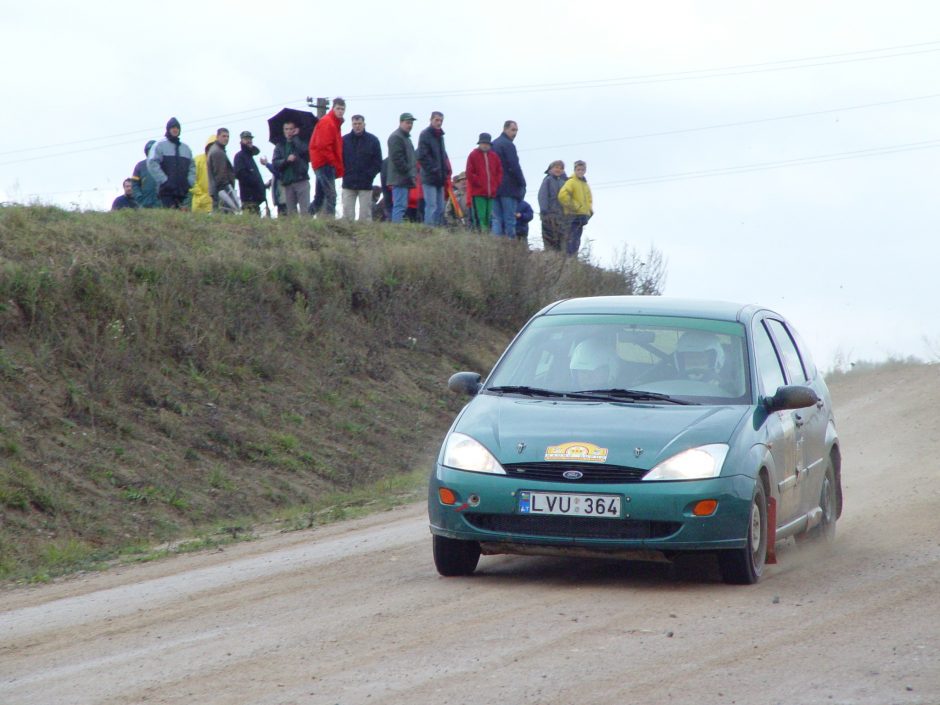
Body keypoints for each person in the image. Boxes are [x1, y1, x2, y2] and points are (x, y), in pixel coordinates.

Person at [308, 97, 345, 218]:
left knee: (319, 197)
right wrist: (333, 163)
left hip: (322, 162)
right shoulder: (328, 122)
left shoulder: (334, 123)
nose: (340, 111)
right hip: (325, 163)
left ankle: (305, 217)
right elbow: (323, 145)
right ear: (333, 108)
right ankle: (330, 221)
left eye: (342, 109)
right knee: (331, 195)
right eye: (338, 108)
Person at [147, 117, 196, 209]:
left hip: (182, 190)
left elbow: (192, 167)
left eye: (177, 128)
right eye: (173, 127)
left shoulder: (186, 148)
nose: (175, 129)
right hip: (166, 191)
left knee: (182, 219)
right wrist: (164, 180)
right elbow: (152, 163)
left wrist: (190, 182)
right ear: (168, 129)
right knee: (169, 216)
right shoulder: (160, 145)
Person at [341, 114, 382, 221]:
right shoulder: (344, 140)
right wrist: (344, 173)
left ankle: (365, 238)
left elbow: (378, 162)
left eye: (359, 123)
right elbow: (339, 160)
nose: (357, 126)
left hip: (366, 184)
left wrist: (369, 175)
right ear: (351, 125)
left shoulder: (373, 140)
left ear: (364, 124)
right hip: (348, 183)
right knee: (347, 217)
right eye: (355, 124)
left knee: (365, 217)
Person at [490, 120, 525, 237]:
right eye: (513, 130)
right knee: (509, 219)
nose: (515, 133)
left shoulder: (494, 144)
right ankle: (510, 246)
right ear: (505, 129)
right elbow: (514, 166)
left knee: (496, 219)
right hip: (508, 188)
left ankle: (496, 245)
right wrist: (522, 183)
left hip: (495, 187)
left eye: (516, 131)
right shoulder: (508, 145)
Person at [416, 111, 451, 226]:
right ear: (431, 120)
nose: (439, 123)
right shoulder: (425, 134)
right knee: (431, 205)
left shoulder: (440, 136)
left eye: (441, 120)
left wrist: (444, 171)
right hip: (429, 177)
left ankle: (437, 229)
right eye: (436, 120)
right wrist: (434, 169)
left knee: (440, 207)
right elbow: (422, 156)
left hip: (440, 178)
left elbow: (443, 156)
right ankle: (429, 229)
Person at [272, 120, 311, 216]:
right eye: (286, 129)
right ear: (283, 130)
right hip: (288, 182)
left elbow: (306, 152)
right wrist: (286, 160)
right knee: (291, 214)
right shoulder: (280, 146)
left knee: (305, 212)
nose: (289, 131)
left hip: (302, 179)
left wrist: (296, 137)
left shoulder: (302, 141)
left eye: (291, 129)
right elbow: (275, 163)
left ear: (295, 130)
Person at [465, 133, 502, 231]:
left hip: (491, 193)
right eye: (483, 143)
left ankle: (487, 237)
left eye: (487, 143)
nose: (485, 145)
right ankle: (481, 238)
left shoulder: (494, 156)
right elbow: (469, 173)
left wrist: (495, 184)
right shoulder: (473, 155)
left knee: (489, 217)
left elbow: (499, 172)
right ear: (479, 143)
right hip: (478, 193)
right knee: (480, 217)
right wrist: (478, 183)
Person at [557, 160, 593, 256]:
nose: (580, 171)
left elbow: (589, 200)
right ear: (575, 170)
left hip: (582, 215)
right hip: (572, 215)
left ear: (585, 170)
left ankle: (573, 257)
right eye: (578, 169)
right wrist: (575, 206)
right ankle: (568, 257)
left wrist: (589, 211)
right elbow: (562, 195)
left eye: (582, 170)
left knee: (577, 238)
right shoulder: (571, 182)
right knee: (571, 237)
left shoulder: (585, 185)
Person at [387, 113, 417, 223]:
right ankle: (397, 229)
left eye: (411, 123)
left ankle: (398, 228)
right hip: (399, 178)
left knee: (402, 206)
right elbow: (397, 159)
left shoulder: (406, 138)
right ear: (400, 122)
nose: (410, 125)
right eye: (407, 122)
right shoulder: (396, 137)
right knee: (399, 206)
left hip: (404, 178)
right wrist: (408, 172)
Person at [234, 131, 267, 215]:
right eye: (246, 139)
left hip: (255, 200)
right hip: (248, 199)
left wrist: (262, 186)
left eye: (250, 138)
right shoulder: (240, 156)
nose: (249, 140)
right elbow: (240, 174)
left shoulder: (249, 157)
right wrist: (255, 182)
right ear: (241, 141)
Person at [537, 160, 567, 251]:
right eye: (556, 167)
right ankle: (550, 256)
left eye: (561, 168)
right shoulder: (548, 180)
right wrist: (544, 210)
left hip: (562, 216)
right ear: (551, 169)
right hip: (549, 214)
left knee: (561, 239)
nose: (558, 169)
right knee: (549, 238)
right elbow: (542, 195)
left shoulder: (565, 182)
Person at [207, 128, 239, 213]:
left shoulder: (218, 150)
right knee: (224, 217)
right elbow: (220, 175)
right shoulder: (218, 152)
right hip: (222, 191)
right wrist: (228, 191)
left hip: (219, 190)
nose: (226, 138)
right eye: (223, 136)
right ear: (217, 137)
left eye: (228, 136)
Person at [190, 135, 215, 214]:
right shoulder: (198, 160)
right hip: (199, 206)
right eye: (211, 146)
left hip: (215, 207)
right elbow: (191, 180)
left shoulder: (219, 163)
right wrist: (202, 196)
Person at [130, 140, 159, 208]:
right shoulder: (140, 166)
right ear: (147, 152)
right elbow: (134, 184)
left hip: (161, 204)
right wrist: (139, 196)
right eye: (150, 150)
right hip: (145, 203)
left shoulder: (165, 165)